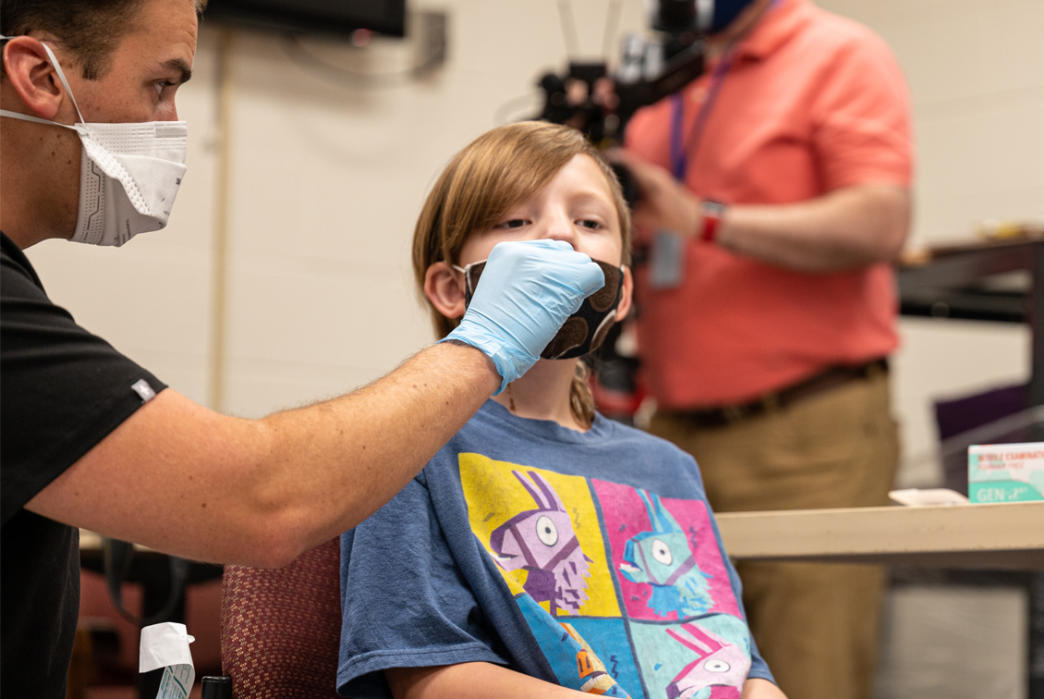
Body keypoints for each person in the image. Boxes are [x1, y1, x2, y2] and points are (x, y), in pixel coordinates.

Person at [0, 2, 605, 694]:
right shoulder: (410, 470)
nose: (172, 126)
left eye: (591, 221)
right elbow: (259, 497)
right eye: (161, 86)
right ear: (39, 77)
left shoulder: (665, 469)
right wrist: (488, 343)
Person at [336, 121, 786, 699]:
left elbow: (740, 664)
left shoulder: (671, 469)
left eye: (590, 222)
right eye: (516, 221)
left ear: (622, 291)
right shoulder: (407, 446)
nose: (560, 235)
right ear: (451, 288)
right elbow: (426, 673)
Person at [610, 0, 914, 697]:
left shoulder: (838, 52)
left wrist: (705, 221)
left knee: (810, 676)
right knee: (670, 676)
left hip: (808, 436)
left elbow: (882, 219)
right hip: (673, 439)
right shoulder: (667, 83)